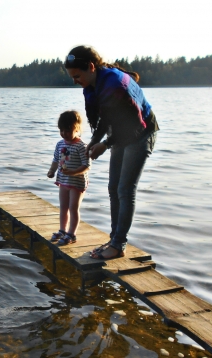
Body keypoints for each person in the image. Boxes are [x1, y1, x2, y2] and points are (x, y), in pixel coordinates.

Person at [64, 45, 159, 259]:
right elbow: (107, 117)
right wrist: (94, 141)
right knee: (113, 187)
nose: (74, 81)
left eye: (77, 76)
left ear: (91, 67)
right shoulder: (95, 84)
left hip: (142, 133)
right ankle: (114, 240)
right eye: (72, 77)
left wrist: (105, 145)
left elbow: (136, 124)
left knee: (125, 189)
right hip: (122, 134)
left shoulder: (115, 84)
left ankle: (118, 245)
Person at [46, 110, 91, 246]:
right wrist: (52, 171)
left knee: (73, 208)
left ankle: (72, 234)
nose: (64, 133)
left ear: (76, 129)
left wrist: (73, 172)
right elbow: (55, 160)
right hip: (63, 181)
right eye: (62, 130)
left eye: (68, 130)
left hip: (77, 182)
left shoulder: (81, 146)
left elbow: (86, 165)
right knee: (63, 207)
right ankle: (62, 230)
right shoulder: (60, 144)